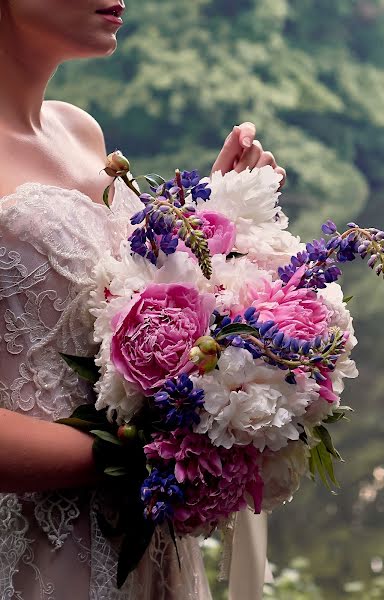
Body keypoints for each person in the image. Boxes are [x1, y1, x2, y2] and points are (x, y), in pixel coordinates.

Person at [0, 1, 286, 598]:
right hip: (42, 552)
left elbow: (108, 307)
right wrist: (164, 447)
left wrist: (217, 228)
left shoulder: (80, 130)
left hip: (145, 539)